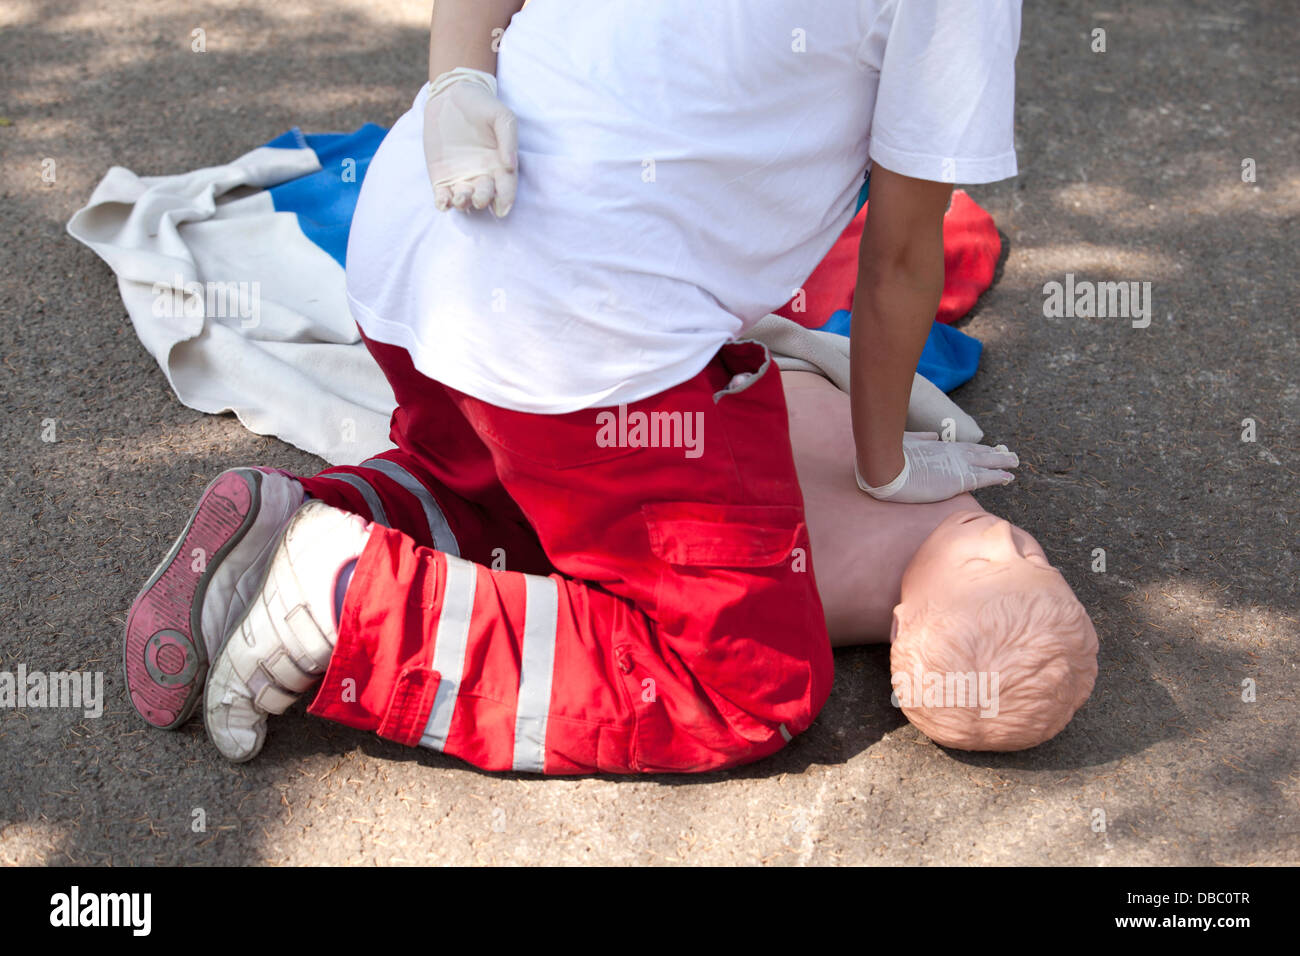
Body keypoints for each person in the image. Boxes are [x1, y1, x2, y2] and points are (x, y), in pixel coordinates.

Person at [124, 0, 1024, 774]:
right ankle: (347, 595)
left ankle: (308, 517)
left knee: (525, 498)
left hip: (410, 246)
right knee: (750, 683)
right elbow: (904, 253)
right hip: (573, 343)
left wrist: (455, 85)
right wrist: (884, 468)